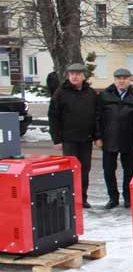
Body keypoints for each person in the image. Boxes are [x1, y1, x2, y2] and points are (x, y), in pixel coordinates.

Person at [48, 63, 99, 208]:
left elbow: (96, 116)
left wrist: (96, 136)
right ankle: (69, 198)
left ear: (84, 76)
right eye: (72, 74)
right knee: (70, 170)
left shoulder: (90, 93)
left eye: (77, 74)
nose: (75, 76)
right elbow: (53, 117)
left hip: (86, 139)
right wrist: (56, 139)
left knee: (84, 169)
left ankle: (82, 198)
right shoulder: (60, 93)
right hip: (69, 139)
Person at [97, 68, 133, 209]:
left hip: (128, 139)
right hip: (109, 138)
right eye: (118, 78)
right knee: (108, 170)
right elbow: (97, 118)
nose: (121, 81)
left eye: (124, 78)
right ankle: (113, 198)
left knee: (128, 170)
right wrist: (98, 136)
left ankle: (128, 198)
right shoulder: (104, 95)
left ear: (130, 80)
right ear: (114, 79)